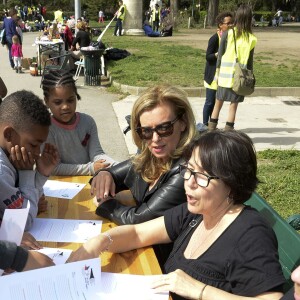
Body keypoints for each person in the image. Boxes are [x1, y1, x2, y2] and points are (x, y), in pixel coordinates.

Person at [69, 130, 286, 300]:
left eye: (201, 176)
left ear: (231, 183)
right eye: (189, 170)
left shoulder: (251, 233)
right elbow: (137, 233)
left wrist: (201, 291)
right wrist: (99, 242)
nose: (188, 183)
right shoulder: (197, 212)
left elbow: (273, 298)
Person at [91, 84, 197, 226]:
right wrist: (104, 174)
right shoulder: (152, 156)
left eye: (164, 128)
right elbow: (114, 174)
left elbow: (139, 219)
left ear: (183, 123)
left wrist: (106, 204)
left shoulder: (186, 169)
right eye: (146, 131)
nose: (155, 139)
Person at [0, 90, 59, 230]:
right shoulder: (2, 171)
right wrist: (27, 174)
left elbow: (35, 201)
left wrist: (41, 175)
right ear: (9, 134)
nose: (38, 152)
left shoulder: (10, 155)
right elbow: (22, 224)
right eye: (33, 144)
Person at [41, 70, 117, 176]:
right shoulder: (46, 129)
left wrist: (116, 166)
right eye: (58, 102)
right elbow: (54, 168)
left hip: (88, 182)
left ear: (76, 97)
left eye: (70, 100)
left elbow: (97, 154)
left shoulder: (88, 122)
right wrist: (90, 168)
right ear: (46, 101)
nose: (65, 106)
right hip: (60, 186)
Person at [209, 4, 257, 131]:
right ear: (249, 19)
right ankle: (228, 133)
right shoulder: (252, 39)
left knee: (217, 104)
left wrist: (217, 73)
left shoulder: (228, 33)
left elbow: (220, 56)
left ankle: (211, 131)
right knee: (233, 106)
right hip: (239, 78)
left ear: (237, 17)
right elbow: (250, 62)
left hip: (224, 77)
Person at [202, 12, 233, 126]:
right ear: (221, 25)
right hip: (212, 76)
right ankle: (205, 126)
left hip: (222, 77)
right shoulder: (215, 38)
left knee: (216, 103)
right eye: (228, 23)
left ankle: (212, 126)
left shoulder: (230, 38)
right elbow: (208, 57)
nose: (231, 25)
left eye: (232, 23)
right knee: (209, 102)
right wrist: (217, 54)